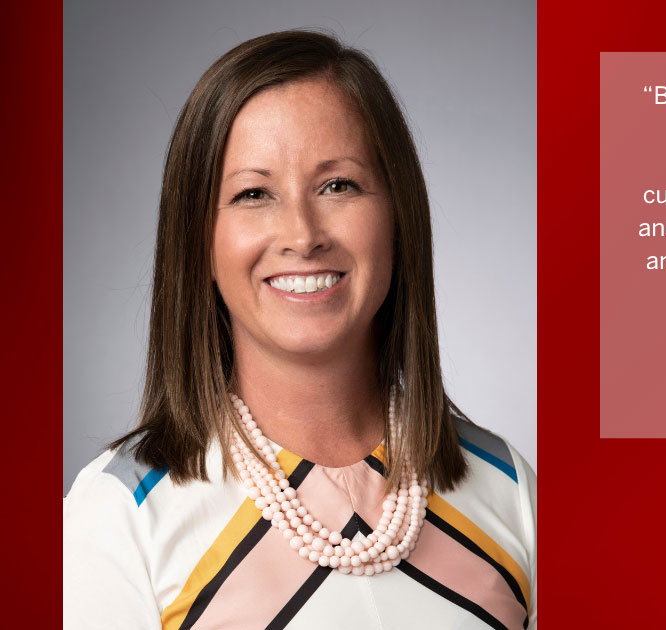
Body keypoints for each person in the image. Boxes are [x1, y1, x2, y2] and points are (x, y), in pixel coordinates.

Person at [63, 30, 535, 630]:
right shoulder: (121, 515)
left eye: (338, 185)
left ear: (398, 216)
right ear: (198, 242)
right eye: (253, 194)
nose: (303, 235)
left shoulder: (508, 488)